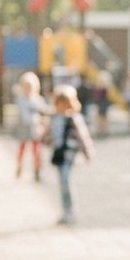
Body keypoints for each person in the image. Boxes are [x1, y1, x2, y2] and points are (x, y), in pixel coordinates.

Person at [47, 84, 94, 225]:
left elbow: (83, 136)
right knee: (62, 182)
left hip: (70, 153)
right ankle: (66, 211)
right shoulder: (54, 118)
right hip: (59, 154)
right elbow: (48, 134)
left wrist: (87, 151)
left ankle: (70, 211)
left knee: (65, 180)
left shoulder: (73, 118)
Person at [14, 71, 48, 181]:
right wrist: (36, 119)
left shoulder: (38, 100)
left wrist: (42, 122)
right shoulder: (21, 100)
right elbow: (25, 116)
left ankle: (37, 169)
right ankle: (19, 166)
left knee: (36, 150)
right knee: (22, 148)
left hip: (35, 129)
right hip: (25, 127)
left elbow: (44, 112)